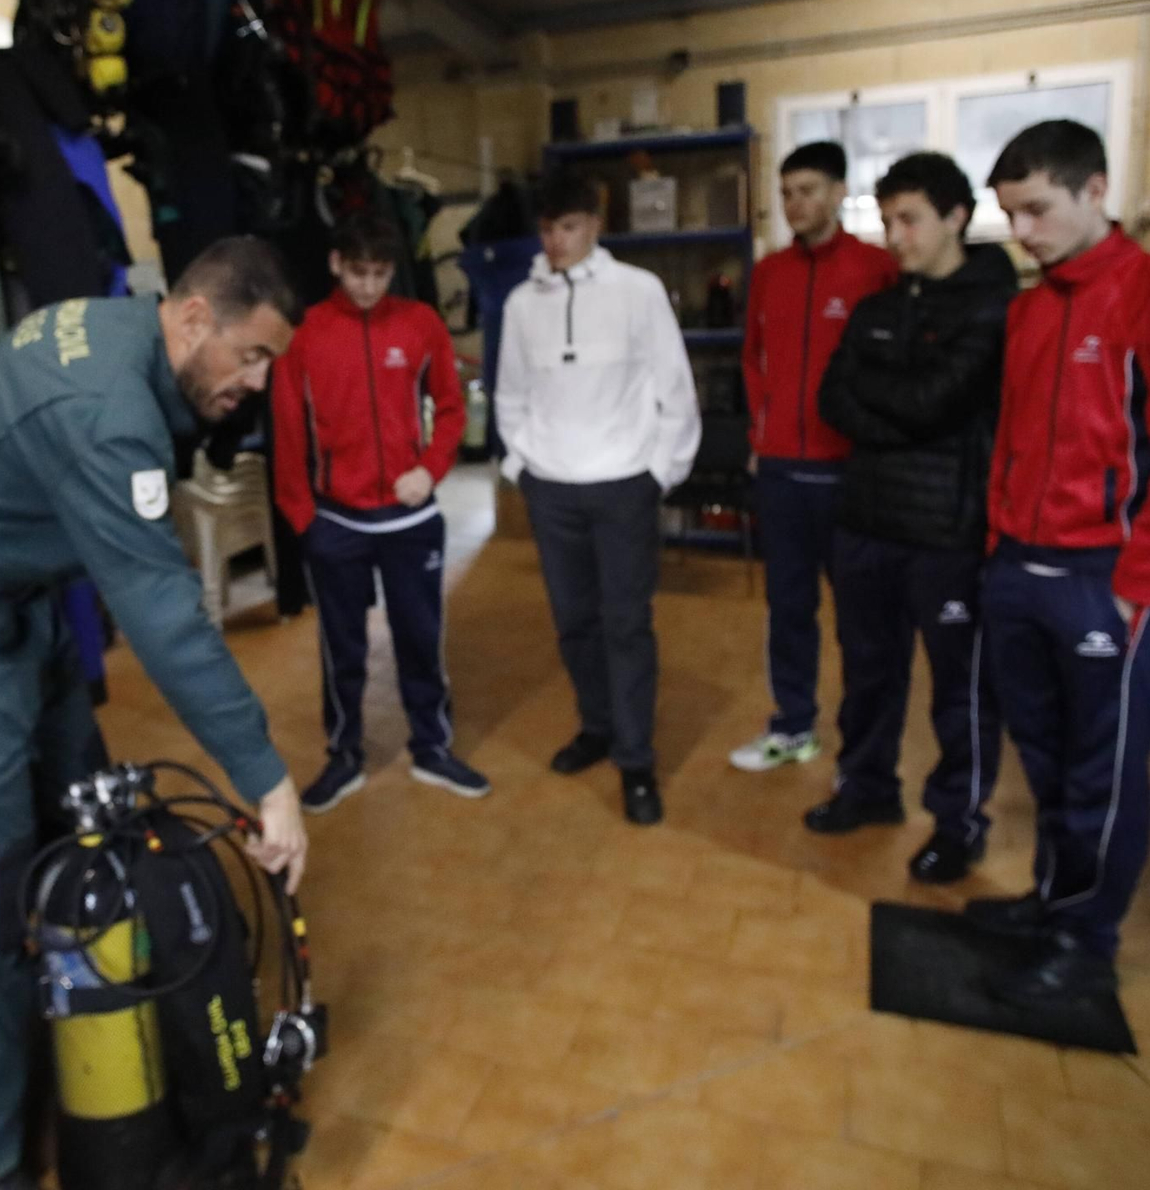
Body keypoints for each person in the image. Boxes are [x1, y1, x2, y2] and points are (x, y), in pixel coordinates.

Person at [0, 238, 311, 1190]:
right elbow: (165, 619)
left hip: (19, 598)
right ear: (193, 319)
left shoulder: (123, 333)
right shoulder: (110, 410)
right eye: (253, 357)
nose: (259, 383)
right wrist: (267, 779)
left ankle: (102, 1065)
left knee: (88, 836)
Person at [971, 120, 1150, 1004]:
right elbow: (1010, 440)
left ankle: (1086, 935)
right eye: (1010, 217)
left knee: (1102, 767)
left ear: (1095, 190)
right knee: (1040, 754)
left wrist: (1138, 587)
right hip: (1019, 568)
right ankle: (1052, 898)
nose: (1025, 233)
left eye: (1038, 210)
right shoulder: (1029, 309)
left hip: (1104, 579)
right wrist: (999, 551)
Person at [810, 152, 1015, 882]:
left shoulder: (992, 305)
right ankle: (866, 789)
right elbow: (832, 399)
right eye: (887, 219)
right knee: (868, 673)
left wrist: (885, 404)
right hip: (865, 523)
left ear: (956, 217)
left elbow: (940, 401)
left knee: (959, 690)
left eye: (910, 219)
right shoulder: (876, 307)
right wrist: (905, 409)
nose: (895, 236)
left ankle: (958, 824)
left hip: (946, 534)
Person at [495, 170, 701, 826]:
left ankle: (636, 761)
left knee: (626, 623)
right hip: (551, 487)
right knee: (575, 622)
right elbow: (510, 393)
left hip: (623, 487)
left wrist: (657, 473)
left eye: (570, 226)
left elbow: (676, 388)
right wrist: (523, 464)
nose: (557, 240)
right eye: (548, 227)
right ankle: (598, 727)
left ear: (595, 225)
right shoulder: (520, 303)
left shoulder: (638, 292)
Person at [271, 212, 482, 813]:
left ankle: (432, 748)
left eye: (380, 273)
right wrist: (302, 516)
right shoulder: (305, 333)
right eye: (358, 272)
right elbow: (287, 429)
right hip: (335, 522)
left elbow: (450, 406)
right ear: (336, 264)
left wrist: (433, 467)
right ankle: (344, 755)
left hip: (410, 520)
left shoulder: (420, 324)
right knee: (342, 649)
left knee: (421, 638)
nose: (368, 285)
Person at [730, 142, 898, 773]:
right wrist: (761, 430)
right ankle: (793, 726)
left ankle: (864, 747)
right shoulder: (770, 272)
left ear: (836, 193)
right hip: (780, 472)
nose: (796, 203)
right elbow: (752, 357)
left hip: (848, 472)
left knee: (861, 619)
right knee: (788, 609)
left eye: (807, 190)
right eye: (787, 192)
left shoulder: (875, 268)